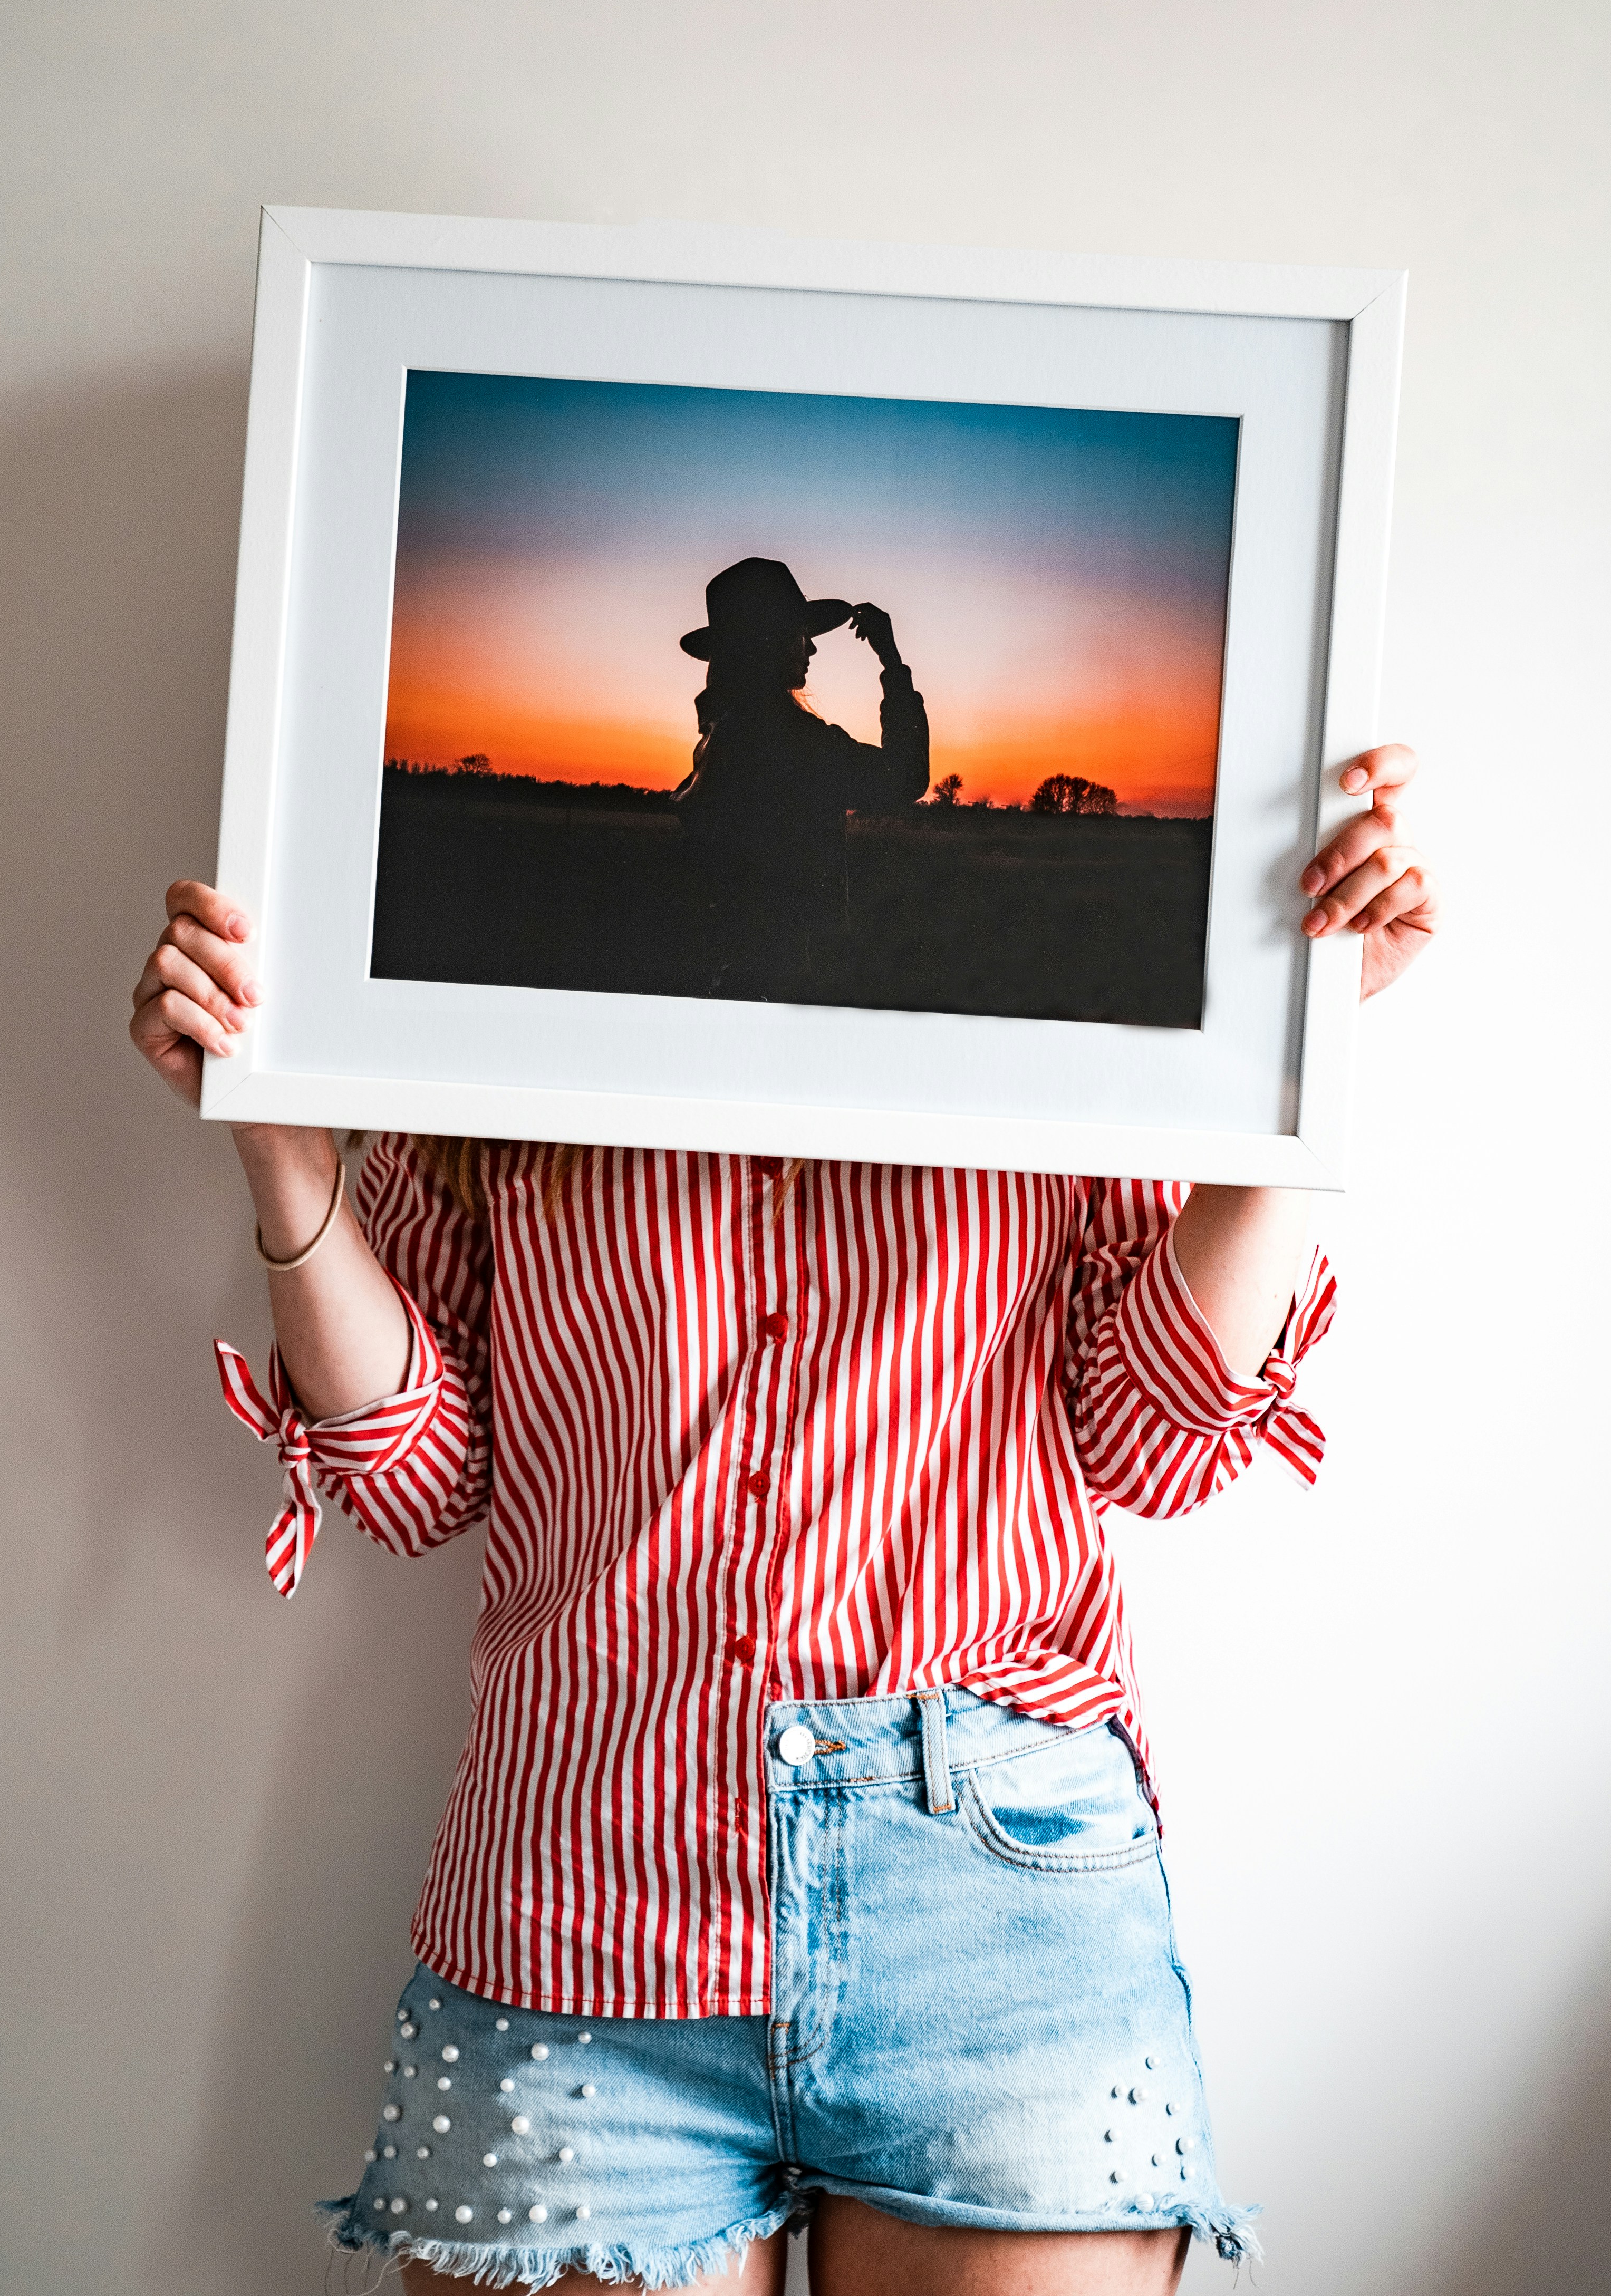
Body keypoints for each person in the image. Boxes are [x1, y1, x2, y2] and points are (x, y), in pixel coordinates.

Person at [129, 745, 1438, 2295]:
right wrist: (282, 1151)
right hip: (580, 1885)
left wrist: (1291, 1066)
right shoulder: (491, 982)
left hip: (996, 1895)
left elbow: (1154, 1439)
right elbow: (415, 1478)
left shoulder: (1061, 987)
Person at [672, 556, 928, 999]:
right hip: (790, 984)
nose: (811, 648)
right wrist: (892, 662)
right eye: (800, 634)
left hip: (736, 980)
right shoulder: (794, 744)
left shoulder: (720, 739)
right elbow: (903, 778)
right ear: (768, 643)